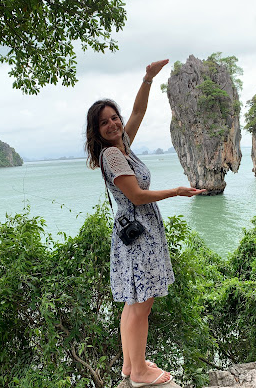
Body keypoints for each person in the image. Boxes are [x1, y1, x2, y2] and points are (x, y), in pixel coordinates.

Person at [85, 59, 205, 387]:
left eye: (114, 118)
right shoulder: (111, 155)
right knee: (141, 307)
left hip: (137, 234)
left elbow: (137, 113)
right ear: (96, 131)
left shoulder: (122, 146)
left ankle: (129, 364)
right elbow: (137, 196)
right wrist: (177, 191)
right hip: (140, 237)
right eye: (104, 122)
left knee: (133, 303)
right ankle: (139, 373)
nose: (112, 124)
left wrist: (148, 79)